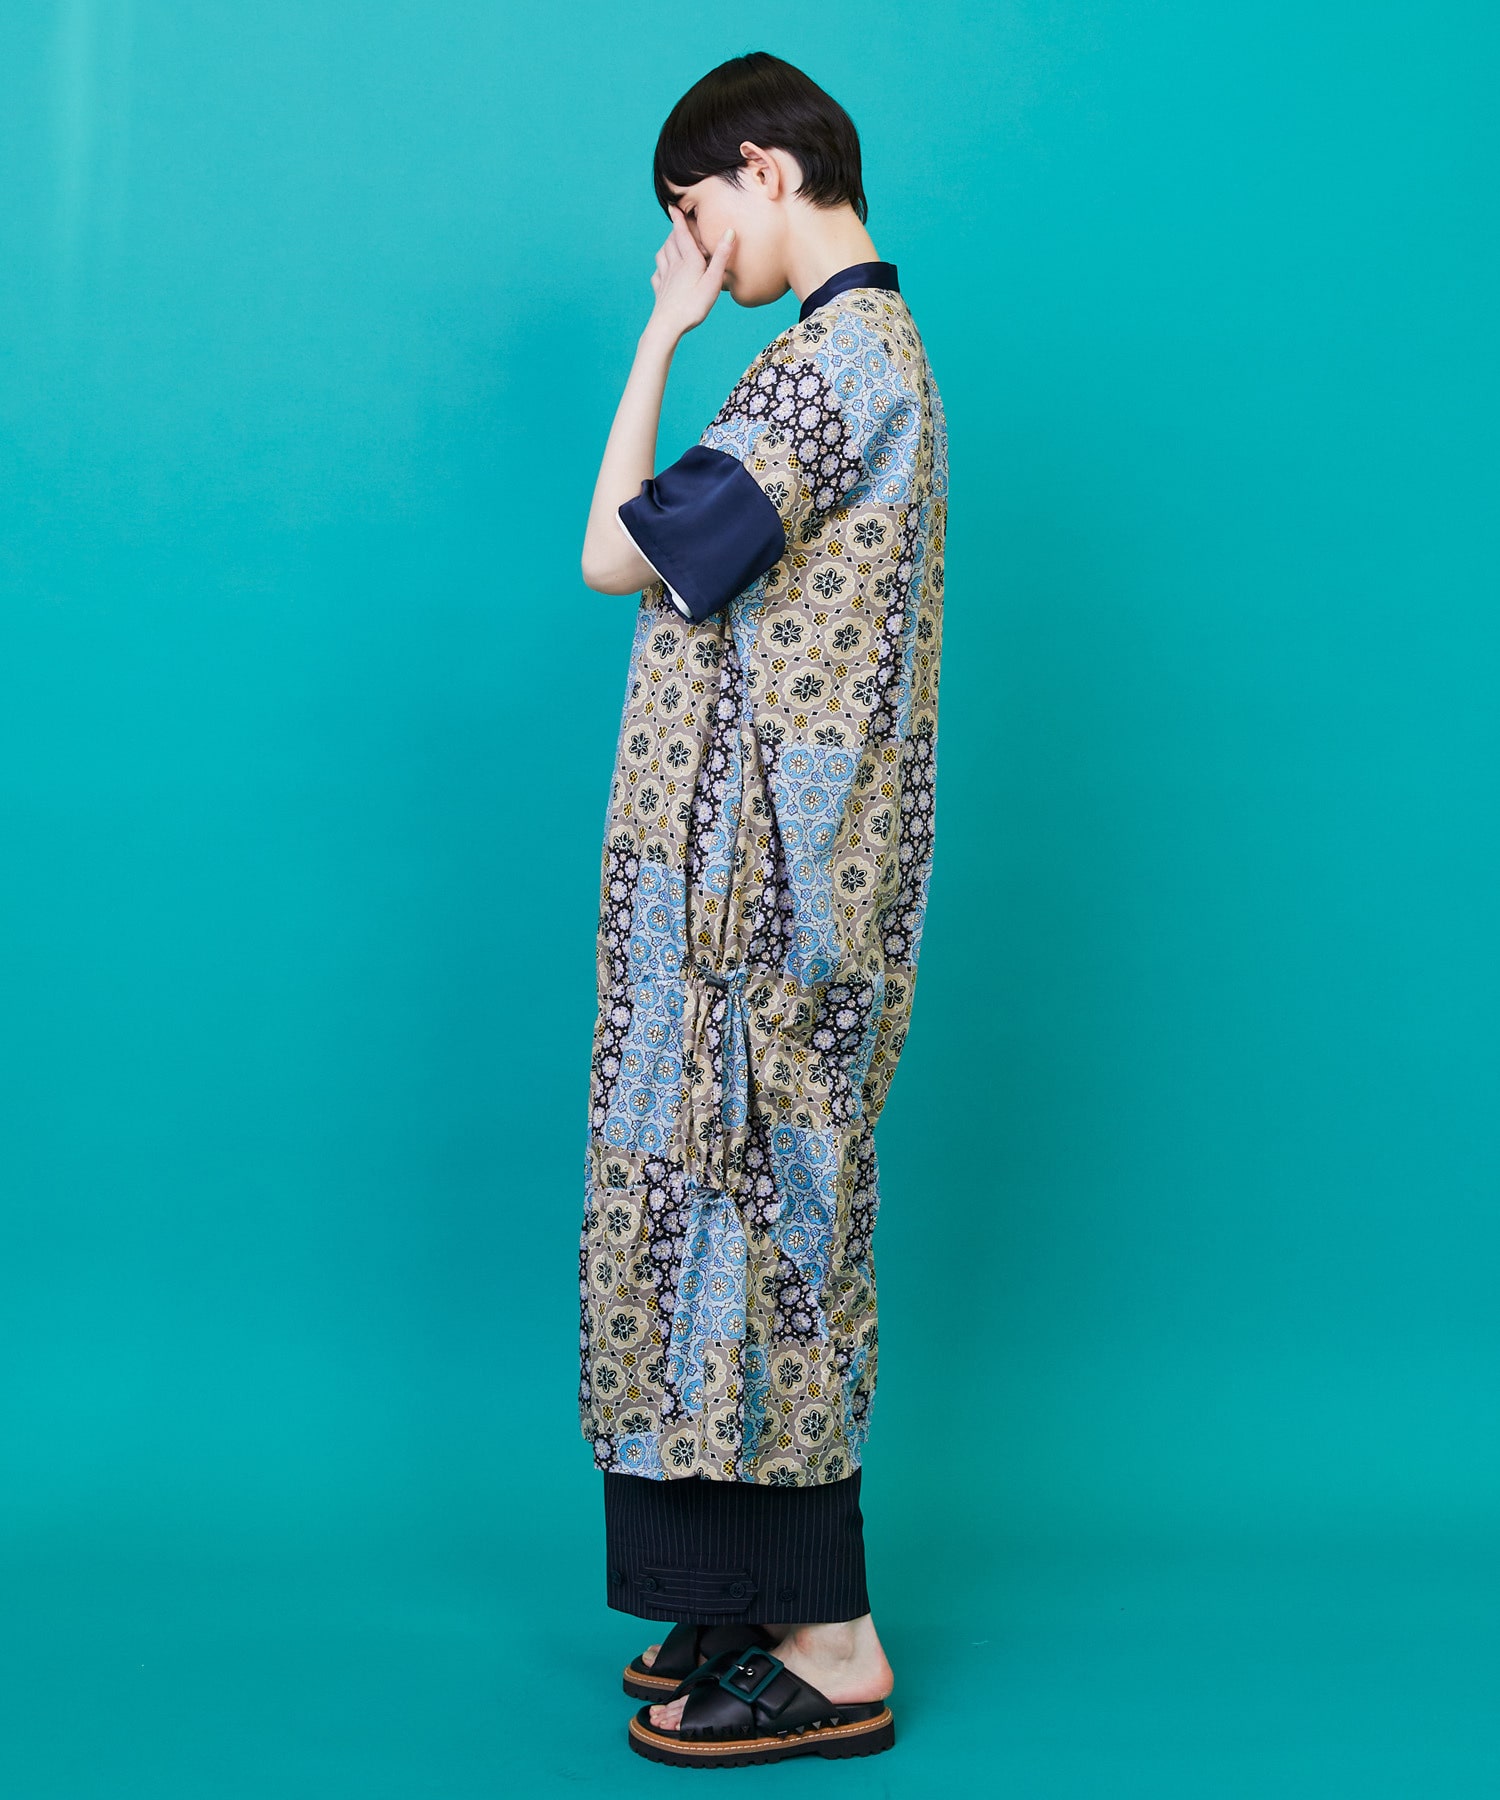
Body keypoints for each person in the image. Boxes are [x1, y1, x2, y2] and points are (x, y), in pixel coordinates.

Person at [578, 50, 947, 1768]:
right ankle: (738, 1590)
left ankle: (836, 1643)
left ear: (765, 171)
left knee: (770, 1227)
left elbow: (617, 556)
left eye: (693, 207)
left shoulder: (833, 367)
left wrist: (658, 337)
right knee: (710, 1226)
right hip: (744, 898)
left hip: (767, 906)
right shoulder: (845, 358)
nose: (691, 243)